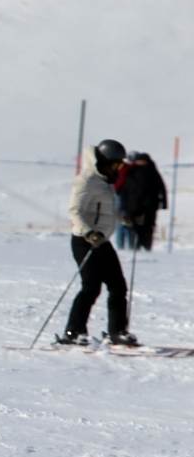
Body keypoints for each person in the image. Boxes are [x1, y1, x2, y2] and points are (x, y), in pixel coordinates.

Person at [59, 139, 137, 346]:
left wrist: (124, 218)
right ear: (104, 161)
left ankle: (117, 332)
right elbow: (75, 211)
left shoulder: (103, 181)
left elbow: (105, 211)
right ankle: (73, 332)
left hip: (101, 241)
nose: (119, 168)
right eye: (116, 164)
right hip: (85, 241)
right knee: (91, 287)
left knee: (118, 286)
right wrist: (89, 233)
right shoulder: (86, 180)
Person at [117, 152, 168, 252]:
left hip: (149, 206)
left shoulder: (152, 172)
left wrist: (164, 203)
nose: (141, 163)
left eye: (143, 161)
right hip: (133, 205)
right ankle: (134, 248)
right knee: (133, 227)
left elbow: (162, 188)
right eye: (139, 161)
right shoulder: (131, 171)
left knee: (148, 228)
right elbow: (125, 189)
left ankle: (146, 247)